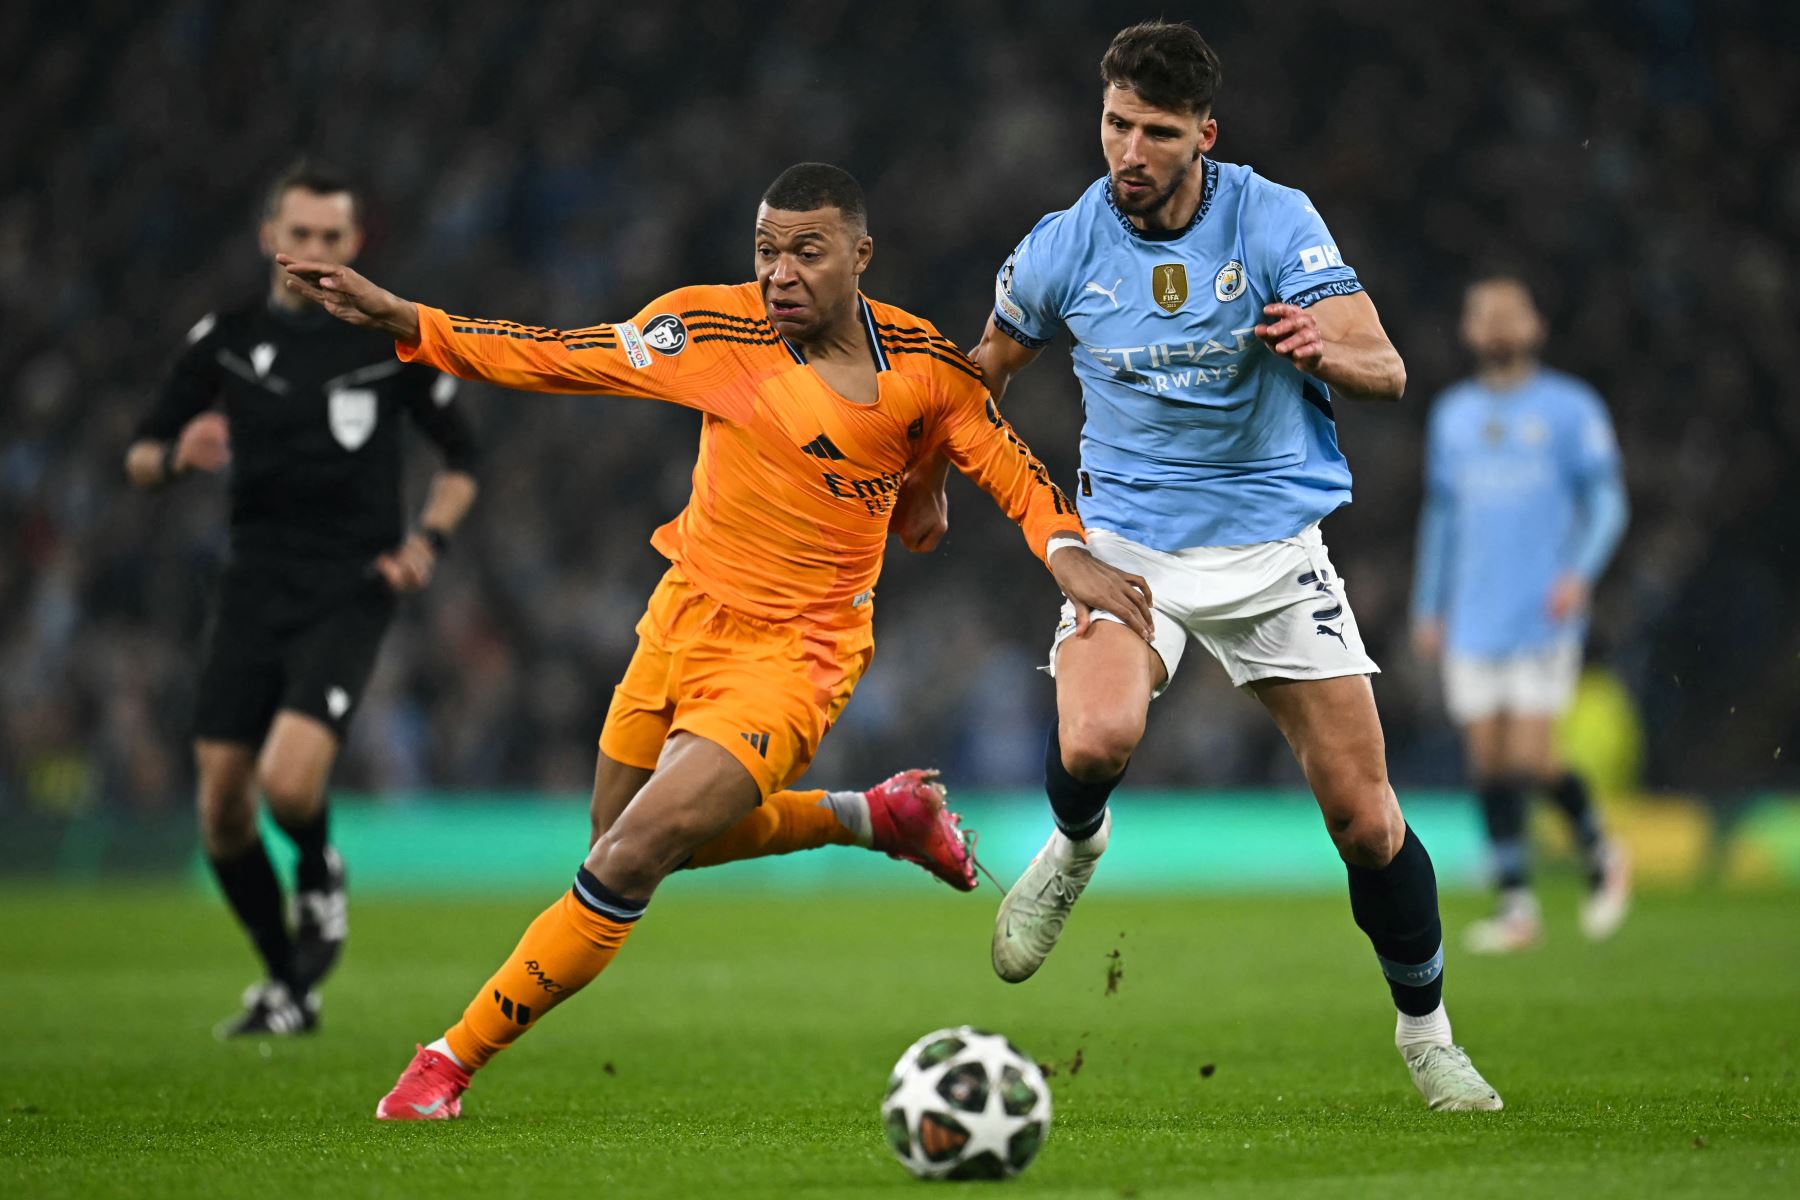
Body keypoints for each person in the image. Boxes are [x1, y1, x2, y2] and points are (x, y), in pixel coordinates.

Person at [279, 162, 1153, 1119]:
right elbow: (559, 353)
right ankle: (871, 817)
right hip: (682, 618)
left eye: (806, 252)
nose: (779, 272)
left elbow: (1017, 472)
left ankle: (443, 1066)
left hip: (798, 656)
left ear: (861, 256)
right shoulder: (710, 327)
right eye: (766, 249)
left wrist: (1064, 553)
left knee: (627, 859)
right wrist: (409, 319)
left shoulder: (924, 369)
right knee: (620, 838)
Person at [893, 21, 1501, 1111]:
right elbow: (978, 374)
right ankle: (1077, 849)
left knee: (1366, 819)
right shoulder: (1065, 244)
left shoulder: (1272, 219)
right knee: (1098, 736)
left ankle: (1428, 1034)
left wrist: (1325, 350)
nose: (1129, 149)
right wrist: (929, 471)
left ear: (1203, 138)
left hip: (1272, 552)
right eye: (1116, 123)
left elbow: (1389, 366)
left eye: (1156, 131)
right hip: (1130, 545)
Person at [125, 161, 481, 1036]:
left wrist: (424, 544)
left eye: (332, 237)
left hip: (351, 586)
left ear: (355, 245)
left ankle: (320, 870)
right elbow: (138, 456)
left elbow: (464, 461)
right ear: (269, 238)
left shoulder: (389, 343)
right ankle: (290, 986)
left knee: (288, 784)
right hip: (251, 585)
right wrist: (179, 455)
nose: (314, 252)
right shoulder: (227, 339)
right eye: (301, 235)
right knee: (220, 808)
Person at [1411, 276, 1631, 954]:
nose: (1498, 325)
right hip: (1473, 612)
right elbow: (1441, 514)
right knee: (1485, 760)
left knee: (1532, 757)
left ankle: (1600, 850)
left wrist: (1579, 573)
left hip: (1541, 607)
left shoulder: (1570, 409)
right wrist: (1429, 602)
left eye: (1510, 312)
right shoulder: (1451, 415)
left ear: (1535, 325)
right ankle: (1516, 905)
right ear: (1470, 332)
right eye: (1485, 314)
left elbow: (1608, 502)